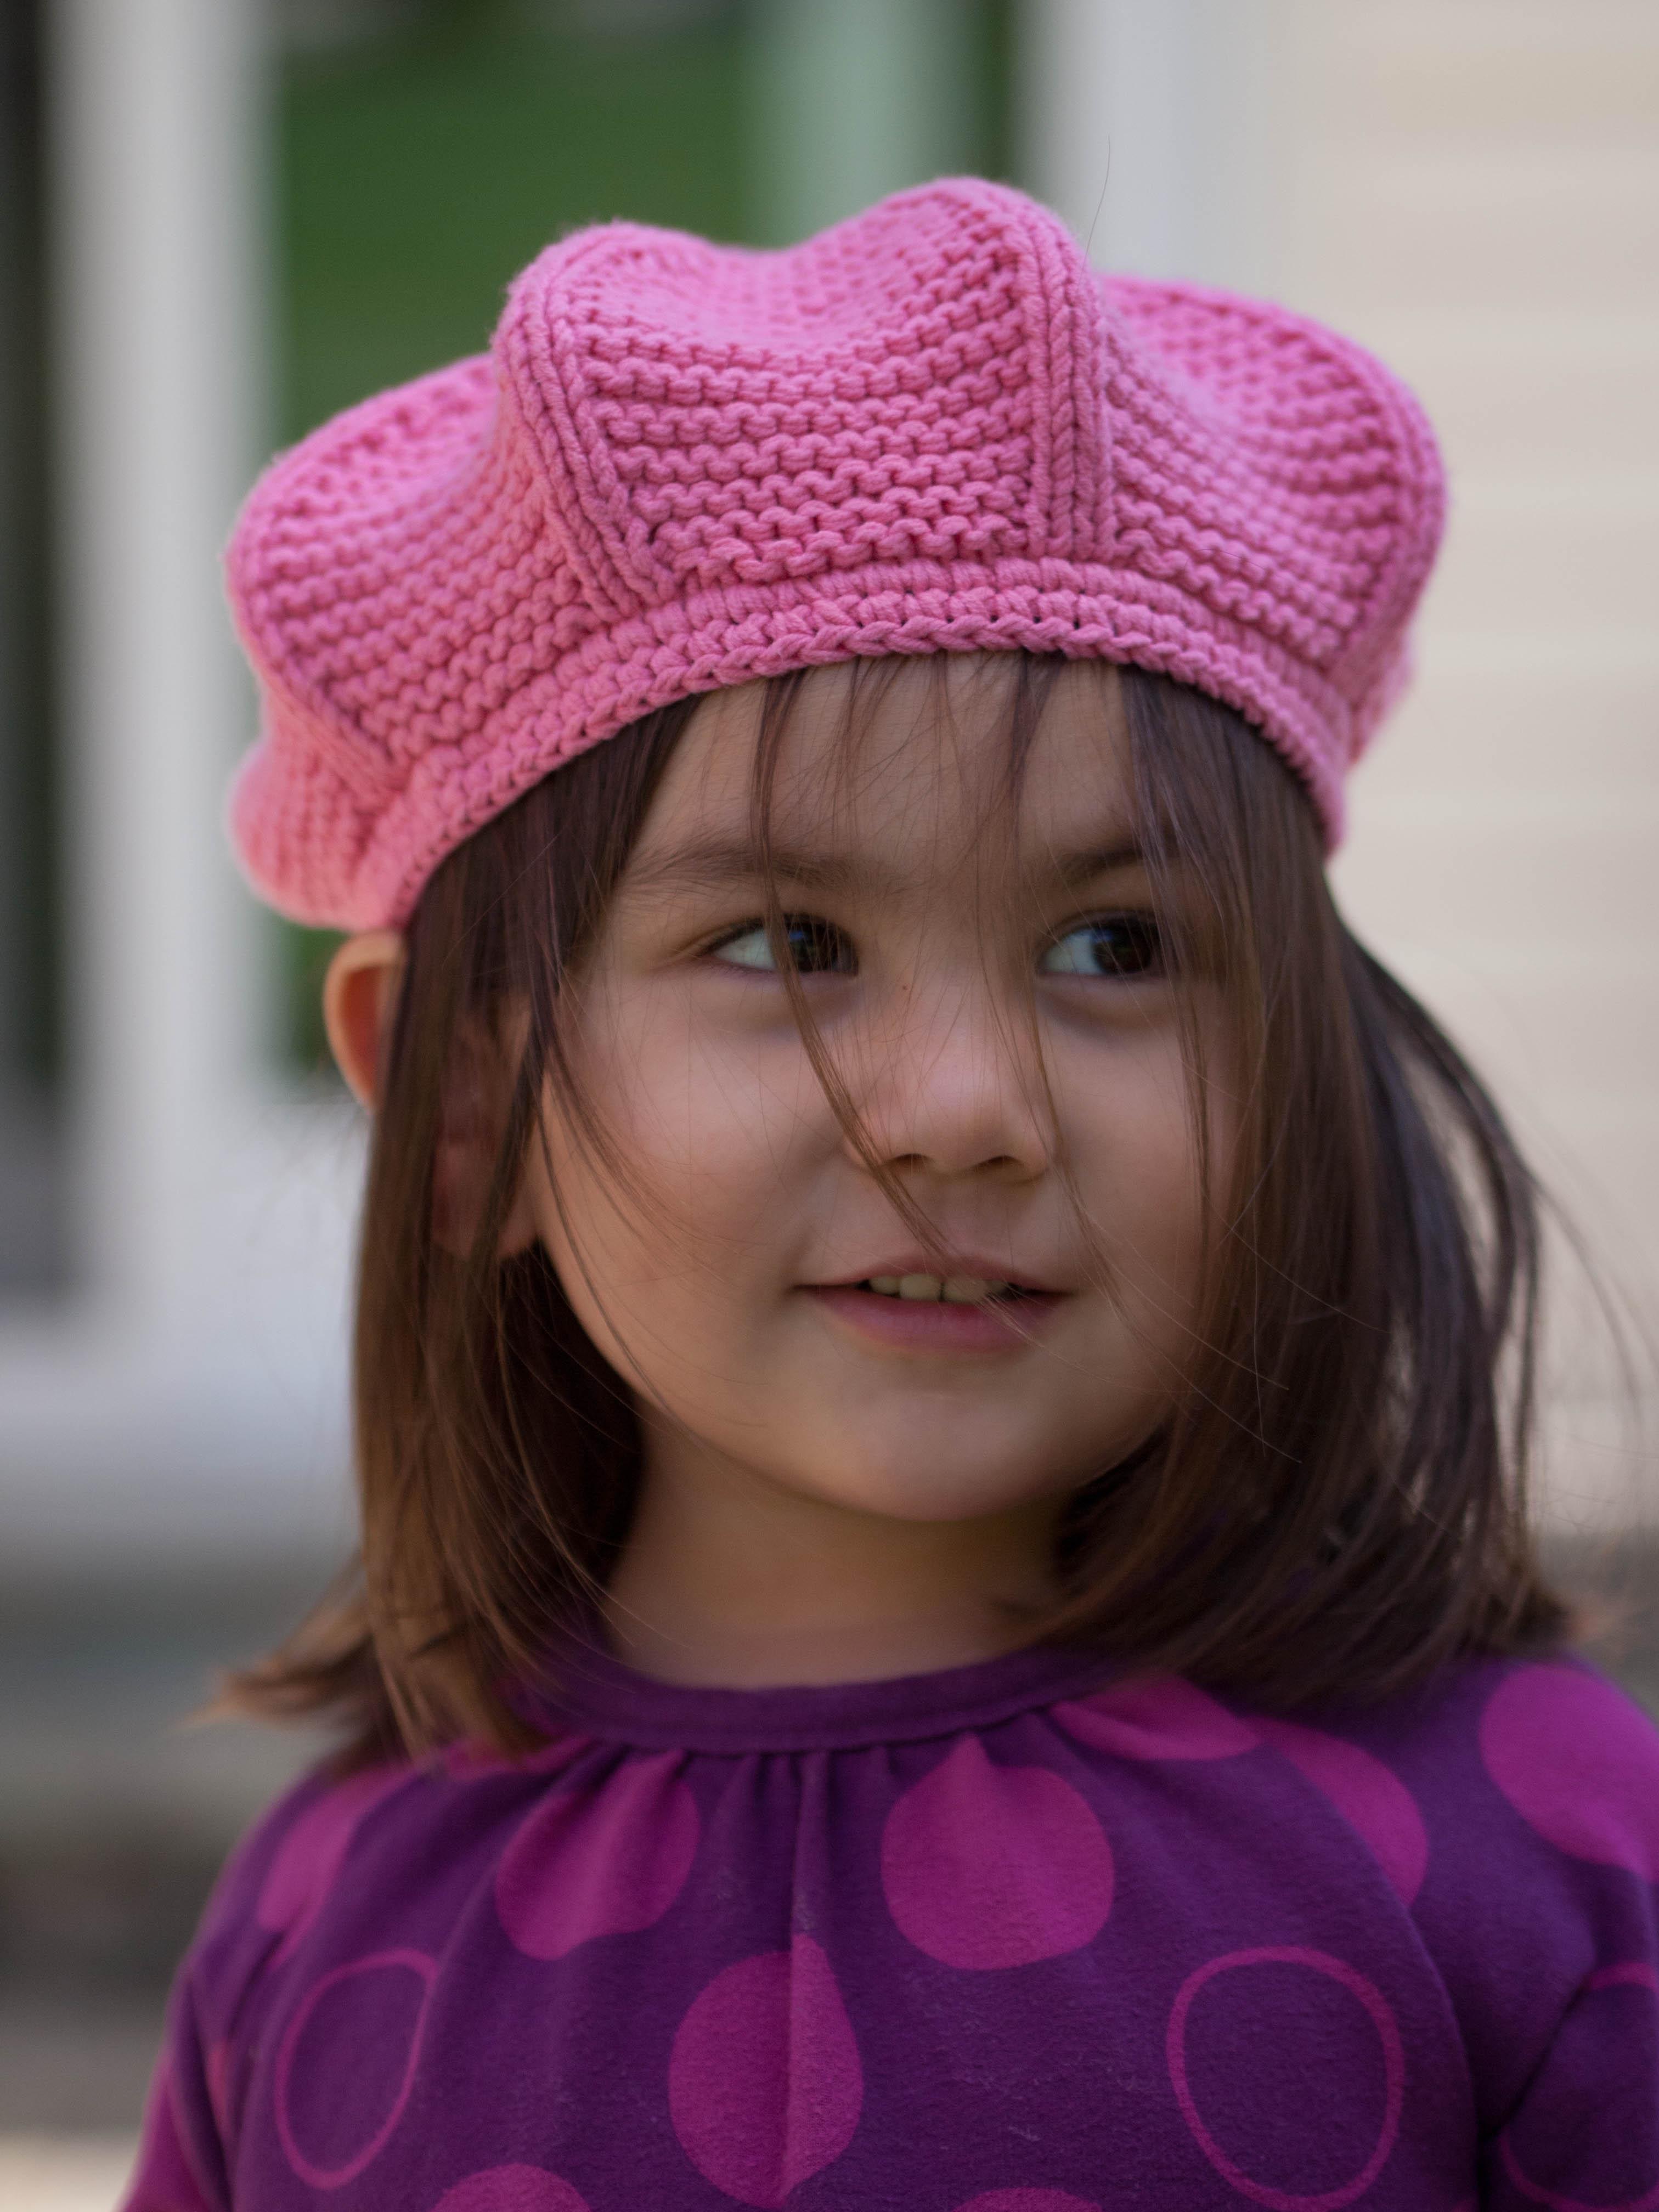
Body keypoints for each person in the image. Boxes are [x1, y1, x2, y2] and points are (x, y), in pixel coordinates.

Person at [122, 178, 1659, 2211]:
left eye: (1117, 949)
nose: (961, 1111)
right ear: (463, 1100)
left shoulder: (1542, 1851)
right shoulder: (316, 1925)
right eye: (783, 942)